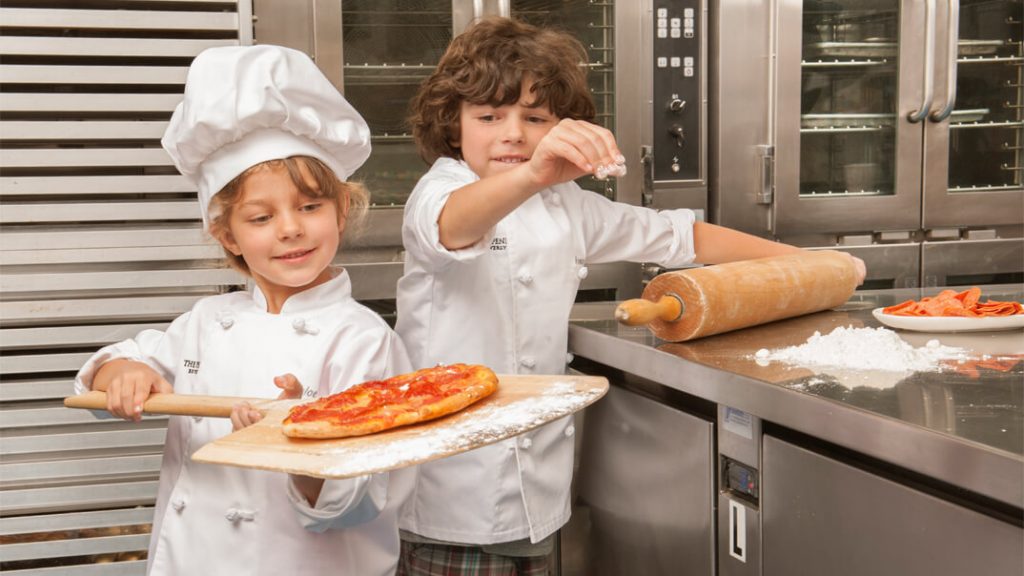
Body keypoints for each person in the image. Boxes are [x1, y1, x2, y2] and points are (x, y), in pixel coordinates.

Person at [394, 16, 866, 575]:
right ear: (454, 127)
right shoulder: (441, 190)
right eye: (489, 116)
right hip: (454, 480)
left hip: (537, 482)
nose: (513, 134)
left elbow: (682, 236)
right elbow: (453, 226)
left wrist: (814, 266)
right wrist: (534, 175)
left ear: (562, 125)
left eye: (535, 118)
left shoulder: (565, 205)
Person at [73, 45, 413, 576]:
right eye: (261, 217)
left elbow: (366, 498)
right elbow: (109, 373)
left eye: (310, 206)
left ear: (342, 209)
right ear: (227, 234)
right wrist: (123, 373)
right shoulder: (206, 322)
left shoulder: (363, 339)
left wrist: (297, 442)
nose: (291, 229)